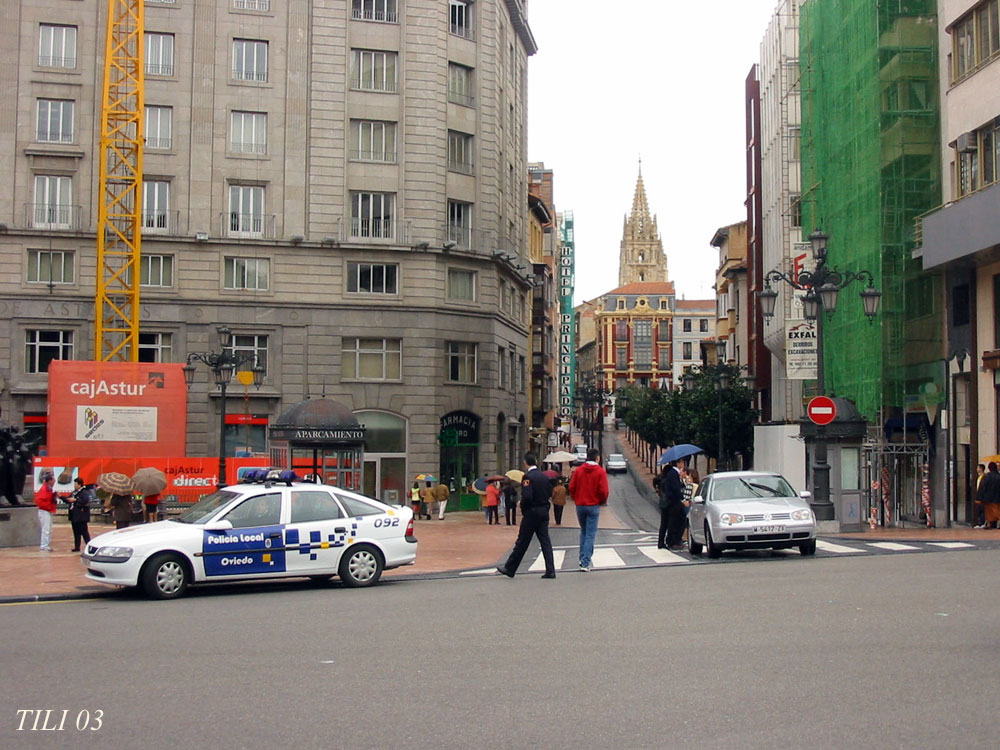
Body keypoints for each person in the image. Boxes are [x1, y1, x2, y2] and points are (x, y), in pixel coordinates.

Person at [496, 452, 556, 579]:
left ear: (525, 463)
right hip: (544, 510)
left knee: (522, 541)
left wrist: (523, 507)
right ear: (536, 462)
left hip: (532, 512)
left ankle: (510, 568)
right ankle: (550, 570)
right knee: (545, 541)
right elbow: (550, 492)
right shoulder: (544, 477)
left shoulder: (528, 477)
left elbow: (527, 497)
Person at [569, 449, 609, 571]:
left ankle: (582, 558)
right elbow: (604, 491)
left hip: (580, 504)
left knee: (584, 531)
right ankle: (585, 562)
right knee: (590, 534)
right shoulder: (600, 472)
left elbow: (572, 487)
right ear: (597, 458)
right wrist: (601, 500)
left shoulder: (579, 471)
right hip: (593, 505)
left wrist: (576, 497)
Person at [658, 459, 686, 550]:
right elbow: (676, 489)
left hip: (669, 502)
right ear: (678, 463)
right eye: (682, 462)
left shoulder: (671, 473)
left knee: (667, 523)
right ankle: (672, 541)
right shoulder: (673, 473)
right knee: (675, 522)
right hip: (673, 502)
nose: (683, 464)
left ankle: (663, 542)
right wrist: (683, 499)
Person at [67, 477, 93, 551]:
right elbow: (69, 499)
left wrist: (75, 500)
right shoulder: (74, 492)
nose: (74, 485)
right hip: (74, 516)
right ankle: (77, 546)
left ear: (79, 484)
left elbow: (85, 500)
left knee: (84, 532)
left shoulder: (84, 492)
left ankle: (89, 546)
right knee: (76, 532)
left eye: (76, 484)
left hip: (81, 516)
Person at [34, 470, 57, 552]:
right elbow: (39, 501)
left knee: (48, 529)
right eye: (53, 480)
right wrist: (48, 506)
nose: (54, 481)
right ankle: (44, 546)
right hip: (45, 510)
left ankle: (46, 545)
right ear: (49, 481)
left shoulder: (48, 488)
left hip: (47, 510)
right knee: (46, 529)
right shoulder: (45, 489)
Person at [976, 462, 1000, 529]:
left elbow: (982, 487)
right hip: (998, 497)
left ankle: (989, 524)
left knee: (988, 512)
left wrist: (979, 497)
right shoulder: (999, 476)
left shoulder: (987, 476)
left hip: (988, 498)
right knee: (997, 510)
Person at [974, 463, 987, 528]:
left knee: (982, 510)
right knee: (979, 509)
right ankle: (980, 522)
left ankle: (983, 522)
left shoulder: (984, 476)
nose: (977, 469)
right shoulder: (979, 477)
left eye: (978, 468)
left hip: (983, 496)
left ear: (981, 469)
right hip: (979, 495)